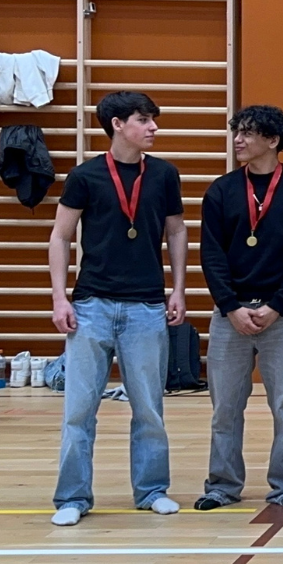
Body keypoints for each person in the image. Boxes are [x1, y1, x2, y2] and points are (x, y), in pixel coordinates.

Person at [47, 92, 188, 526]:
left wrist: (178, 289)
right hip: (91, 305)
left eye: (153, 120)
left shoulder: (164, 174)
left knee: (149, 406)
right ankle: (72, 497)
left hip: (146, 306)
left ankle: (151, 490)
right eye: (143, 120)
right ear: (116, 124)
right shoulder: (85, 175)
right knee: (79, 409)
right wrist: (59, 297)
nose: (153, 128)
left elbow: (177, 233)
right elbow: (60, 236)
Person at [196, 105, 283, 512]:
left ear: (272, 141)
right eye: (237, 131)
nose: (238, 139)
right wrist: (231, 306)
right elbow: (211, 255)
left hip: (282, 317)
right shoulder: (221, 190)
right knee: (225, 408)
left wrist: (276, 306)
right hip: (229, 316)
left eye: (248, 133)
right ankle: (222, 485)